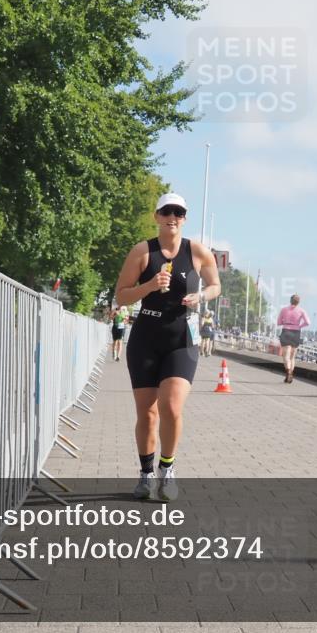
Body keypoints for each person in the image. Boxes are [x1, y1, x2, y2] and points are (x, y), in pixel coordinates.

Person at [114, 192, 220, 501]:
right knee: (147, 414)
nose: (172, 216)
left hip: (181, 340)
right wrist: (149, 286)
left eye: (178, 212)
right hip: (146, 337)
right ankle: (146, 474)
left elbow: (215, 285)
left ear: (184, 218)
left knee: (171, 407)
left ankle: (167, 469)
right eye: (166, 211)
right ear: (157, 216)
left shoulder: (197, 251)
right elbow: (121, 295)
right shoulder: (142, 251)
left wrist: (202, 296)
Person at [276, 294, 310, 383]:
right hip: (296, 333)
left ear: (290, 301)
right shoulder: (302, 311)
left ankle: (288, 372)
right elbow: (308, 322)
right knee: (292, 357)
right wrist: (299, 326)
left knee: (286, 356)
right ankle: (291, 372)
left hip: (286, 332)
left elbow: (279, 322)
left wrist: (286, 322)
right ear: (298, 302)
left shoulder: (284, 310)